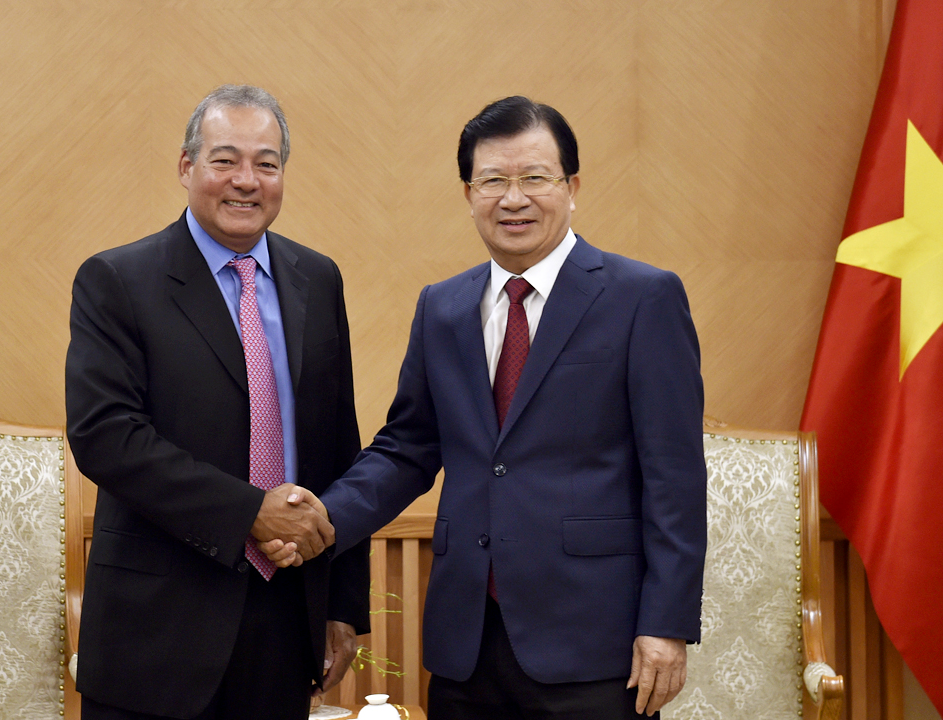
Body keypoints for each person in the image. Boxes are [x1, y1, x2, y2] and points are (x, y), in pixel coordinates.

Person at [264, 96, 707, 719]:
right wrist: (323, 518)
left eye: (535, 178)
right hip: (467, 643)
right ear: (469, 193)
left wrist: (666, 623)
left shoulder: (642, 298)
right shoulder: (442, 307)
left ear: (572, 187)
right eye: (493, 181)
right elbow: (408, 448)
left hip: (595, 641)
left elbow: (675, 476)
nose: (513, 199)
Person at [65, 84, 369, 720]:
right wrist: (249, 513)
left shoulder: (318, 278)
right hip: (156, 635)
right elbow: (107, 436)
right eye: (224, 160)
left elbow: (339, 443)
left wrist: (342, 606)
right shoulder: (118, 280)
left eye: (266, 163)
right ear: (186, 166)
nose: (246, 181)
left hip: (285, 624)